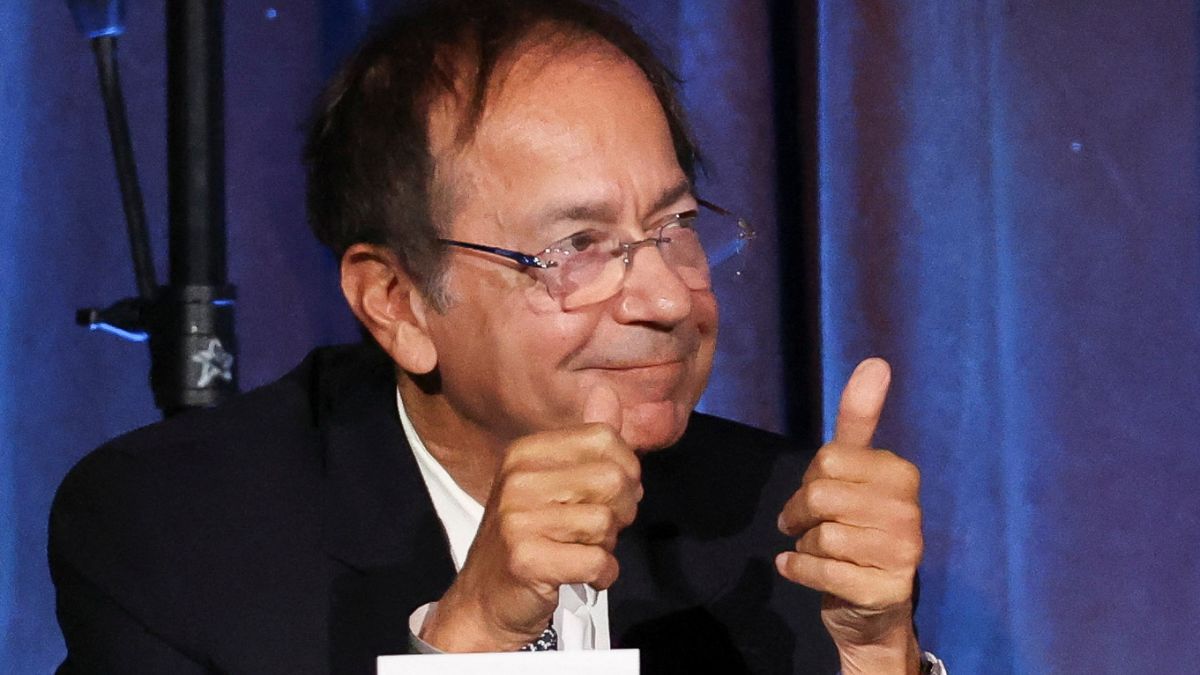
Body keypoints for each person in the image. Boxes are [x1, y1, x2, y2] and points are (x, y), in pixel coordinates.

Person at [50, 0, 944, 672]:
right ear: (396, 301)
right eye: (576, 247)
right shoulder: (177, 535)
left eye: (673, 225)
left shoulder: (782, 522)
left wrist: (879, 658)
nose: (669, 298)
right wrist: (472, 640)